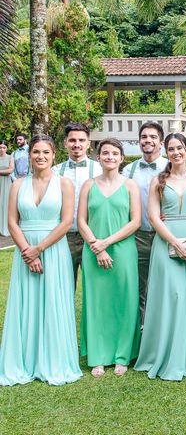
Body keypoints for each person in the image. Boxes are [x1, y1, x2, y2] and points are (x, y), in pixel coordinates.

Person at [0, 134, 82, 386]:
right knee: (26, 303)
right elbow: (12, 221)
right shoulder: (17, 185)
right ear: (29, 155)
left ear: (54, 155)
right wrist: (27, 250)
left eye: (46, 152)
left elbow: (67, 222)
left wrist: (40, 249)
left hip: (54, 249)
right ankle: (23, 360)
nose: (41, 157)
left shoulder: (65, 184)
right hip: (25, 251)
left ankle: (53, 360)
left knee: (53, 302)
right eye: (36, 152)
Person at [134, 133, 186, 381]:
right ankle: (167, 353)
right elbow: (153, 217)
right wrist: (176, 243)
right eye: (171, 148)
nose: (176, 152)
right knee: (172, 296)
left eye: (180, 147)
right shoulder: (158, 180)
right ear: (165, 151)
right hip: (167, 242)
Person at [77, 138, 141, 378]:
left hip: (123, 250)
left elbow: (135, 222)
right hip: (93, 250)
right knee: (97, 303)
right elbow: (81, 220)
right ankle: (98, 357)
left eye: (115, 153)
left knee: (124, 300)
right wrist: (97, 246)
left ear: (122, 158)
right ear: (98, 157)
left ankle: (122, 355)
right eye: (105, 153)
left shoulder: (130, 186)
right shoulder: (88, 185)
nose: (110, 157)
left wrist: (107, 242)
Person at [122, 122, 168, 325]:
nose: (148, 141)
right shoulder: (127, 170)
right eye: (144, 137)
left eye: (153, 137)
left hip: (165, 235)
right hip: (138, 236)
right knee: (139, 285)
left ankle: (162, 329)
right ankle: (141, 330)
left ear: (161, 142)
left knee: (164, 285)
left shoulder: (171, 166)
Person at [53, 122, 103, 285]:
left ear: (88, 143)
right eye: (72, 140)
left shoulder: (101, 170)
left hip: (94, 236)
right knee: (64, 286)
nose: (77, 144)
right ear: (65, 142)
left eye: (81, 140)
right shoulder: (54, 171)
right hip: (63, 238)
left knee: (96, 285)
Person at [0, 140, 14, 236]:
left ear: (6, 148)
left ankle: (4, 228)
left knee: (5, 204)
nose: (1, 149)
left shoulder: (10, 157)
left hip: (5, 182)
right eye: (0, 147)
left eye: (4, 147)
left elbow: (10, 170)